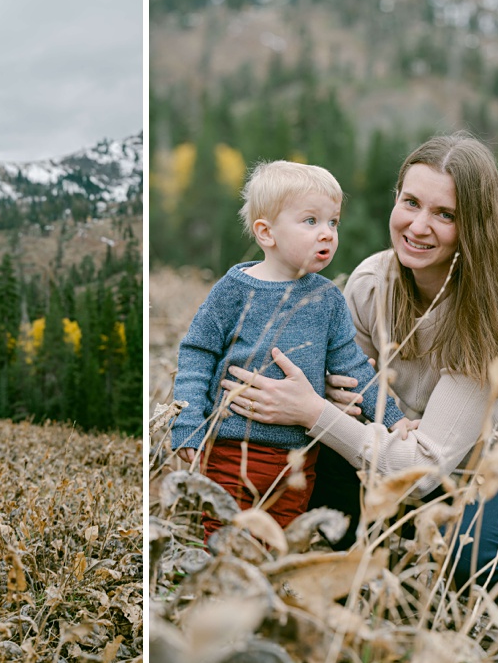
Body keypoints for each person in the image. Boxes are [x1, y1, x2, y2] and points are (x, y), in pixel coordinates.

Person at [221, 132, 498, 608]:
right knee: (305, 481)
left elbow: (422, 469)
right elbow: (340, 383)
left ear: (474, 225)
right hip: (403, 452)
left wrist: (314, 411)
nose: (418, 226)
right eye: (411, 202)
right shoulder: (372, 282)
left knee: (470, 564)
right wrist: (326, 397)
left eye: (444, 214)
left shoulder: (490, 320)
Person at [170, 160, 412, 540]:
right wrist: (187, 423)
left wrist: (392, 416)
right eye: (310, 221)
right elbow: (198, 353)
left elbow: (354, 368)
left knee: (280, 541)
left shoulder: (327, 300)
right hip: (232, 448)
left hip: (298, 457)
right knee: (225, 536)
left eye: (333, 222)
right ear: (266, 233)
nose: (327, 234)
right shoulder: (234, 290)